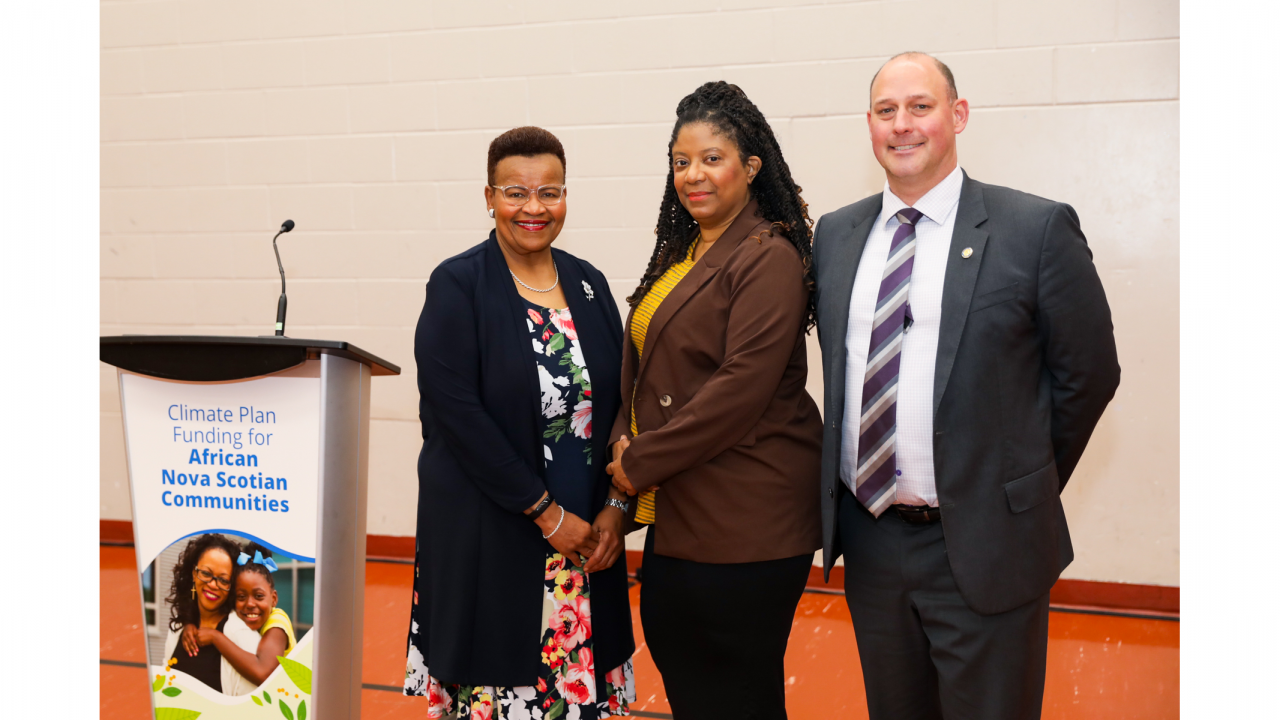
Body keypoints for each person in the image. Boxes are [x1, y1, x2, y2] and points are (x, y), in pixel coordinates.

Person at [811, 52, 1121, 720]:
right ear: (869, 124)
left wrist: (1014, 484)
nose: (903, 125)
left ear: (958, 115)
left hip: (985, 547)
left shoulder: (1034, 229)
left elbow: (1088, 375)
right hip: (871, 543)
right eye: (886, 111)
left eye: (920, 107)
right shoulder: (836, 236)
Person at [606, 81, 822, 719]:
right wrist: (625, 458)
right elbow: (643, 372)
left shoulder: (770, 256)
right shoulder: (682, 253)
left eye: (711, 158)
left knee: (737, 695)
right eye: (680, 161)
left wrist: (637, 461)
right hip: (683, 512)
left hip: (748, 521)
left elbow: (739, 390)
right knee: (688, 673)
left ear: (751, 167)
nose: (693, 175)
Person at [404, 126, 636, 719]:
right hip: (497, 531)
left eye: (550, 192)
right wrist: (544, 512)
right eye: (515, 192)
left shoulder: (589, 283)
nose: (534, 208)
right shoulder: (459, 284)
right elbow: (460, 418)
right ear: (489, 197)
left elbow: (617, 402)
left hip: (583, 542)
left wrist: (615, 508)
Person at [180, 542, 296, 687]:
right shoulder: (236, 617)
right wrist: (189, 624)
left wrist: (216, 637)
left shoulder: (278, 623)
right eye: (241, 597)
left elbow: (264, 673)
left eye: (259, 596)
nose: (250, 604)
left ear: (273, 599)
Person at [161, 533, 261, 696]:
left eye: (223, 580)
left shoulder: (240, 635)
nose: (213, 585)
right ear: (194, 573)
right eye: (206, 574)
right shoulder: (179, 629)